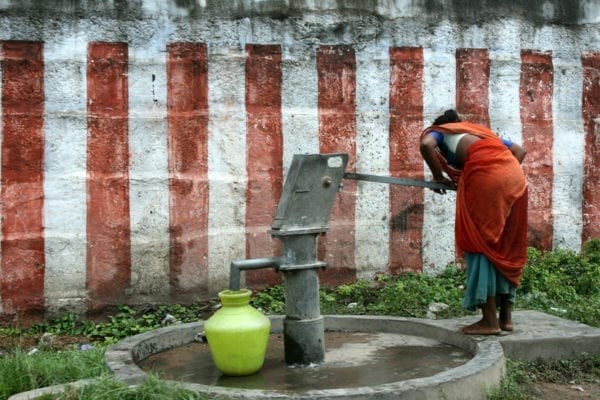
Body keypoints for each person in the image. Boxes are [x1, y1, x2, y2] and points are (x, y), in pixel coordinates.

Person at [419, 109, 528, 335]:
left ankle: (489, 321)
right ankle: (505, 319)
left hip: (487, 179)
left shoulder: (441, 132)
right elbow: (519, 150)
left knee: (480, 243)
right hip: (516, 179)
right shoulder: (480, 133)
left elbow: (426, 145)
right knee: (505, 246)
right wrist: (499, 172)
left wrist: (439, 177)